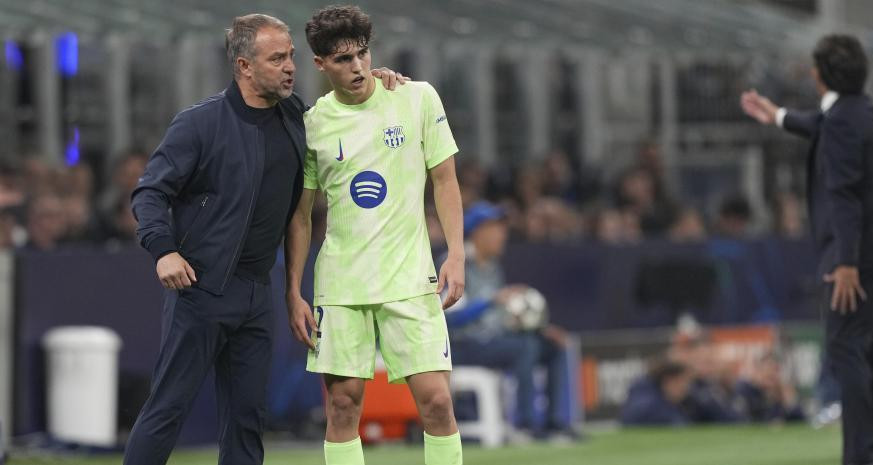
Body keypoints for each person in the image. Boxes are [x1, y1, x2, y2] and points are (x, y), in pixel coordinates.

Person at [127, 14, 404, 464]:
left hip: (257, 292)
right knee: (168, 408)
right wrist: (164, 251)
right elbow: (149, 193)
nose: (290, 67)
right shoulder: (199, 123)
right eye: (277, 59)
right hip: (199, 287)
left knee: (247, 420)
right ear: (244, 66)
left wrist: (375, 84)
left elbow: (344, 119)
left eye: (291, 56)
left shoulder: (297, 117)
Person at [284, 6, 464, 465]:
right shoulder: (313, 125)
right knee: (342, 407)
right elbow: (300, 216)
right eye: (343, 59)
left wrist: (457, 254)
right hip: (343, 285)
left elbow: (445, 180)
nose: (359, 67)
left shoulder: (417, 98)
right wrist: (293, 290)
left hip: (411, 278)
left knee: (438, 402)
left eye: (363, 54)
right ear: (320, 64)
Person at [741, 34, 873, 465]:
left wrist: (846, 262)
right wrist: (777, 115)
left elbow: (844, 196)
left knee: (846, 348)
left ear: (819, 75)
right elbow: (821, 124)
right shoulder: (859, 110)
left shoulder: (840, 121)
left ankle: (862, 455)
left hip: (857, 253)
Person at [446, 201, 575, 440]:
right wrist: (490, 301)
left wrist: (538, 329)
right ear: (477, 232)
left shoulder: (492, 268)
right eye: (496, 228)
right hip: (461, 346)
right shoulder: (453, 263)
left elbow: (497, 320)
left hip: (491, 342)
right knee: (525, 347)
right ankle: (525, 426)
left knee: (552, 346)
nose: (502, 235)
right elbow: (448, 318)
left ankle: (556, 423)